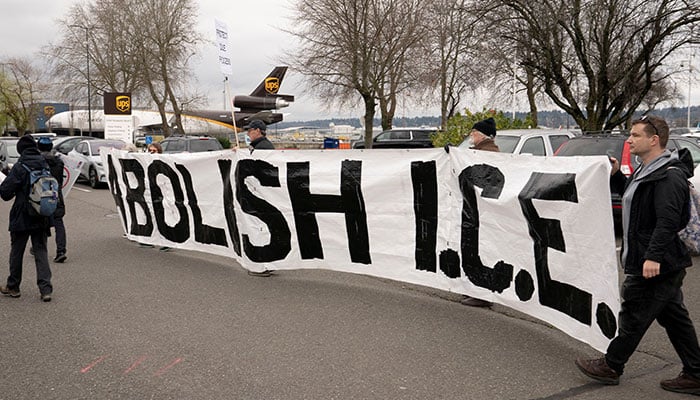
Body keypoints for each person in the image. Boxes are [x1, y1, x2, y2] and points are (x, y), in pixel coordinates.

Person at [575, 115, 700, 395]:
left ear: (654, 140)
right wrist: (619, 176)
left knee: (634, 312)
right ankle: (695, 373)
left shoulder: (669, 175)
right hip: (655, 259)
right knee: (674, 318)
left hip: (658, 262)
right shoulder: (647, 169)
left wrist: (653, 257)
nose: (629, 140)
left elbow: (667, 222)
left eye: (635, 135)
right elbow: (635, 199)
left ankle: (611, 365)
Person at [0, 135, 53, 302]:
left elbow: (6, 193)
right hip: (41, 213)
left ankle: (13, 286)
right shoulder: (44, 163)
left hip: (22, 214)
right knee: (41, 251)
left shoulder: (20, 166)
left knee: (17, 251)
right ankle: (46, 289)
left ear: (20, 149)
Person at [461, 117, 499, 308]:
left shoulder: (488, 153)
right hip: (477, 210)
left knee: (481, 250)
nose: (471, 135)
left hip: (482, 212)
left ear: (481, 135)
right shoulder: (480, 151)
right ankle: (476, 290)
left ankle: (482, 294)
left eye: (473, 132)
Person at [245, 119, 275, 277]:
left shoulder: (262, 148)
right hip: (263, 193)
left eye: (250, 131)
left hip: (261, 194)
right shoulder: (262, 146)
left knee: (259, 228)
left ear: (257, 131)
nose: (248, 134)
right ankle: (268, 262)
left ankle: (263, 265)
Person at [37, 137, 67, 263]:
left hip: (41, 195)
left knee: (40, 221)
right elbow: (60, 180)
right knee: (58, 222)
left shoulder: (37, 162)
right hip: (56, 195)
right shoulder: (58, 162)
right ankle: (61, 250)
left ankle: (37, 247)